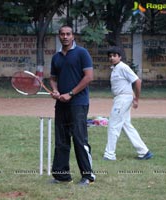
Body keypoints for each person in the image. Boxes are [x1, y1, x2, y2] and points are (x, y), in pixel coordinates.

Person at [49, 25, 95, 186]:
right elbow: (53, 78)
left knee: (79, 139)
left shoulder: (82, 53)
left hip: (78, 103)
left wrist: (71, 93)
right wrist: (55, 91)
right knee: (61, 140)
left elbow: (88, 77)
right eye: (62, 34)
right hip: (61, 104)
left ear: (73, 36)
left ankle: (88, 176)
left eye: (68, 34)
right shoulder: (56, 57)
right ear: (59, 36)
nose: (65, 37)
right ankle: (61, 176)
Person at [103, 46, 153, 161]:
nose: (112, 58)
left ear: (119, 57)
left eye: (114, 56)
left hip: (123, 99)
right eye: (110, 56)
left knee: (113, 125)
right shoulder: (115, 68)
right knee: (126, 125)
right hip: (120, 99)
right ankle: (144, 152)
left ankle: (109, 155)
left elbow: (137, 81)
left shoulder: (123, 67)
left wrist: (136, 99)